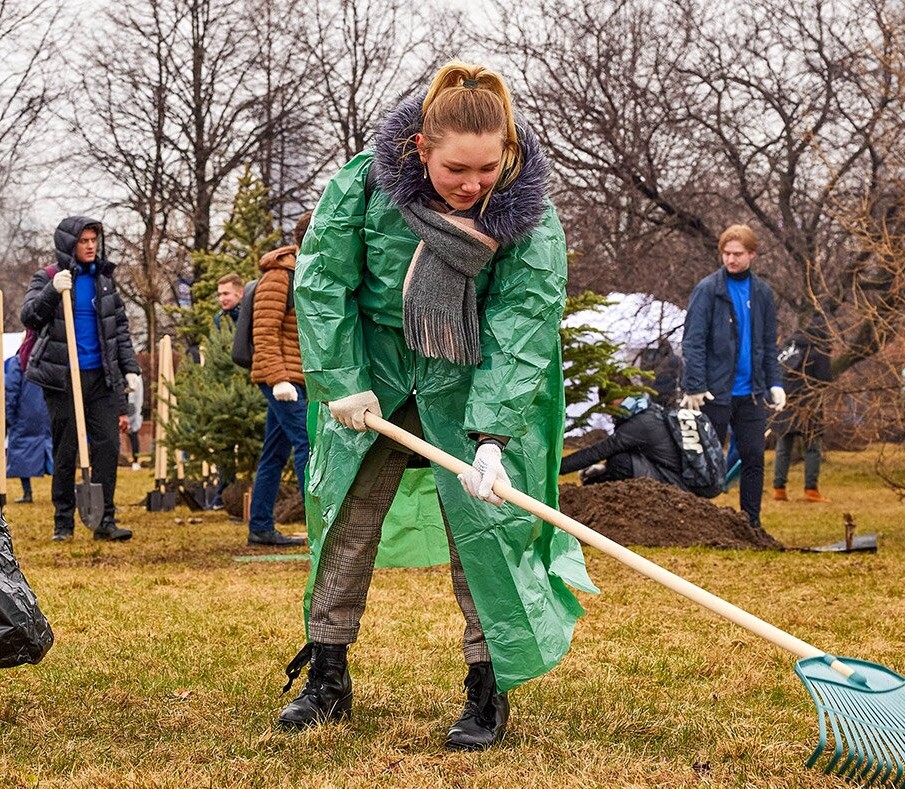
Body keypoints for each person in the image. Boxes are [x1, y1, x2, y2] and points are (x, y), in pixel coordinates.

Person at [283, 60, 595, 751]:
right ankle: (327, 677)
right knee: (345, 521)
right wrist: (341, 379)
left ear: (508, 152)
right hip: (375, 376)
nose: (473, 185)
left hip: (473, 378)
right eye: (456, 169)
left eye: (487, 168)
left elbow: (522, 322)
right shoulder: (365, 184)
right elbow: (324, 279)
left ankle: (488, 687)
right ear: (421, 149)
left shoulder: (528, 213)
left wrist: (492, 437)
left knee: (486, 531)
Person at [20, 217, 142, 543]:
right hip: (63, 376)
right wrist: (52, 290)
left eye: (93, 240)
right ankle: (63, 522)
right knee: (66, 449)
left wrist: (130, 368)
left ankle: (104, 520)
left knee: (108, 445)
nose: (90, 246)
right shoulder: (48, 276)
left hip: (101, 377)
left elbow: (119, 329)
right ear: (69, 244)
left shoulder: (104, 281)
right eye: (83, 241)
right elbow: (29, 315)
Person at [680, 224, 785, 531]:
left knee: (753, 457)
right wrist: (695, 385)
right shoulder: (708, 290)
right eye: (726, 253)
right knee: (706, 460)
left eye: (737, 254)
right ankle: (697, 523)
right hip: (714, 393)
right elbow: (693, 341)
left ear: (752, 254)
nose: (731, 259)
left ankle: (751, 523)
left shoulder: (762, 293)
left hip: (751, 393)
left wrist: (775, 382)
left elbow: (768, 343)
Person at [246, 213, 313, 547]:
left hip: (298, 377)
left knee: (274, 453)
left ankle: (260, 526)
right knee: (308, 444)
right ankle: (318, 527)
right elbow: (264, 332)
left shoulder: (308, 271)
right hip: (282, 379)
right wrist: (278, 380)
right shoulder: (278, 276)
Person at [560, 395, 687, 487]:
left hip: (675, 483)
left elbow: (599, 451)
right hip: (675, 476)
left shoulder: (639, 423)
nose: (608, 410)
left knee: (620, 462)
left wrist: (557, 467)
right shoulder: (647, 409)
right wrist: (604, 468)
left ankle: (590, 493)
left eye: (609, 403)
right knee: (619, 460)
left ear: (621, 396)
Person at [773, 326, 833, 503]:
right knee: (813, 447)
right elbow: (825, 379)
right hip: (809, 403)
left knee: (783, 447)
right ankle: (811, 490)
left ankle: (779, 489)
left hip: (785, 402)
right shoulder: (818, 352)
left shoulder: (786, 350)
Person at [4, 353, 51, 503]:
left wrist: (9, 416)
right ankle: (63, 491)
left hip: (23, 415)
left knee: (21, 452)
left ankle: (27, 492)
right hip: (47, 412)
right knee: (53, 450)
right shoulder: (48, 357)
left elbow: (11, 390)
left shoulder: (18, 361)